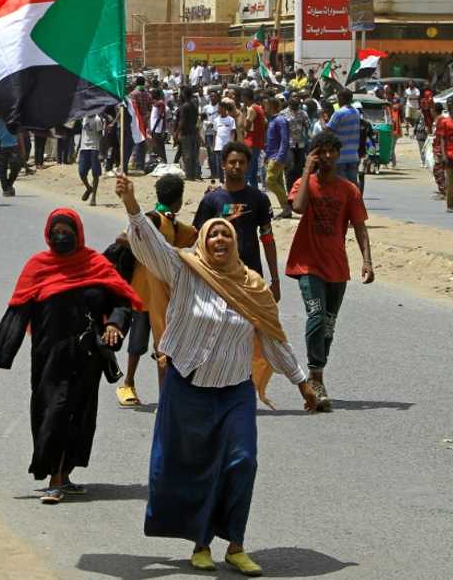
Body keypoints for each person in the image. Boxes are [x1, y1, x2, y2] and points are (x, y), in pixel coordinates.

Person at [115, 173, 315, 576]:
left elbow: (274, 340)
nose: (220, 241)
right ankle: (201, 543)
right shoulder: (184, 270)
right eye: (213, 236)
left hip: (234, 389)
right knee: (196, 466)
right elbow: (152, 246)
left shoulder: (253, 286)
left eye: (227, 236)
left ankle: (236, 545)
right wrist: (132, 205)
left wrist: (302, 382)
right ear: (203, 241)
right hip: (187, 384)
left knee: (243, 462)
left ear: (236, 243)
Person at [0, 209, 140, 504]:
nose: (61, 235)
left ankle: (62, 475)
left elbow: (120, 297)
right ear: (48, 234)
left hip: (86, 355)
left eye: (67, 230)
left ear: (78, 233)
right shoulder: (38, 267)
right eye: (56, 231)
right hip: (48, 356)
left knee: (79, 413)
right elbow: (18, 311)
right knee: (53, 411)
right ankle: (54, 475)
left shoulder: (96, 265)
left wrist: (115, 324)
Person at [286, 130, 374, 412]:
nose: (326, 157)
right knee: (315, 314)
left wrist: (367, 261)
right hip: (307, 264)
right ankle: (315, 377)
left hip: (336, 266)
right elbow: (298, 208)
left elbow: (360, 226)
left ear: (337, 154)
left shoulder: (349, 189)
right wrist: (306, 169)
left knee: (328, 324)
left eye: (330, 151)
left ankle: (317, 371)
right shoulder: (304, 184)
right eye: (320, 151)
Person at [116, 174, 198, 408]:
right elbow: (122, 237)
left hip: (164, 295)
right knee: (138, 344)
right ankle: (128, 383)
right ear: (180, 200)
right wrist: (149, 248)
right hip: (143, 293)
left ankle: (166, 399)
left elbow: (193, 236)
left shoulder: (172, 222)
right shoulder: (153, 219)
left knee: (163, 348)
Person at [193, 142, 279, 296]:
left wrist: (275, 280)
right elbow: (198, 239)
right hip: (218, 276)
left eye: (242, 162)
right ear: (224, 165)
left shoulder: (259, 198)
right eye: (232, 162)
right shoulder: (210, 200)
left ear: (247, 166)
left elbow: (267, 238)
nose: (237, 166)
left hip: (251, 275)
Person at [262, 97, 291, 219]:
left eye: (266, 105)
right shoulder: (271, 120)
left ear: (272, 106)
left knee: (270, 181)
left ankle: (288, 205)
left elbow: (285, 140)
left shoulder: (280, 120)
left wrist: (280, 156)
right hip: (271, 156)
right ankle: (286, 210)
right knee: (278, 182)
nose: (265, 108)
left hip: (277, 157)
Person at [326, 90, 361, 185]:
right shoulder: (356, 112)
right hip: (353, 155)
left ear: (342, 98)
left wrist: (321, 118)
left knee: (341, 186)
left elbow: (327, 130)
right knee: (353, 185)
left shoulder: (339, 113)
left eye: (338, 98)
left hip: (340, 156)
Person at [241, 91, 266, 188]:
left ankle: (238, 196)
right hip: (257, 142)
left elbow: (246, 127)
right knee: (253, 174)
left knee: (247, 172)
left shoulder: (251, 109)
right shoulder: (259, 107)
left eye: (243, 98)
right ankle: (255, 195)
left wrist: (243, 113)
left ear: (246, 97)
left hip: (251, 143)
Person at [77, 112, 103, 206]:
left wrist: (101, 151)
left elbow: (101, 136)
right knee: (81, 172)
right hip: (84, 148)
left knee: (95, 173)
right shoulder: (83, 118)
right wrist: (77, 149)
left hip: (94, 148)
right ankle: (88, 188)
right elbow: (82, 134)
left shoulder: (97, 120)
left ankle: (93, 197)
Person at [0, 113, 21, 197]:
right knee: (2, 170)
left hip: (13, 145)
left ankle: (8, 185)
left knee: (15, 167)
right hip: (1, 147)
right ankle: (6, 189)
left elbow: (18, 131)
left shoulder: (13, 116)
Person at [175, 88, 200, 179]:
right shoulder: (194, 105)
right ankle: (193, 174)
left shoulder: (185, 106)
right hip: (193, 131)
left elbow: (182, 121)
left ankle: (189, 174)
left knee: (187, 154)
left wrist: (177, 133)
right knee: (193, 154)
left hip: (186, 133)